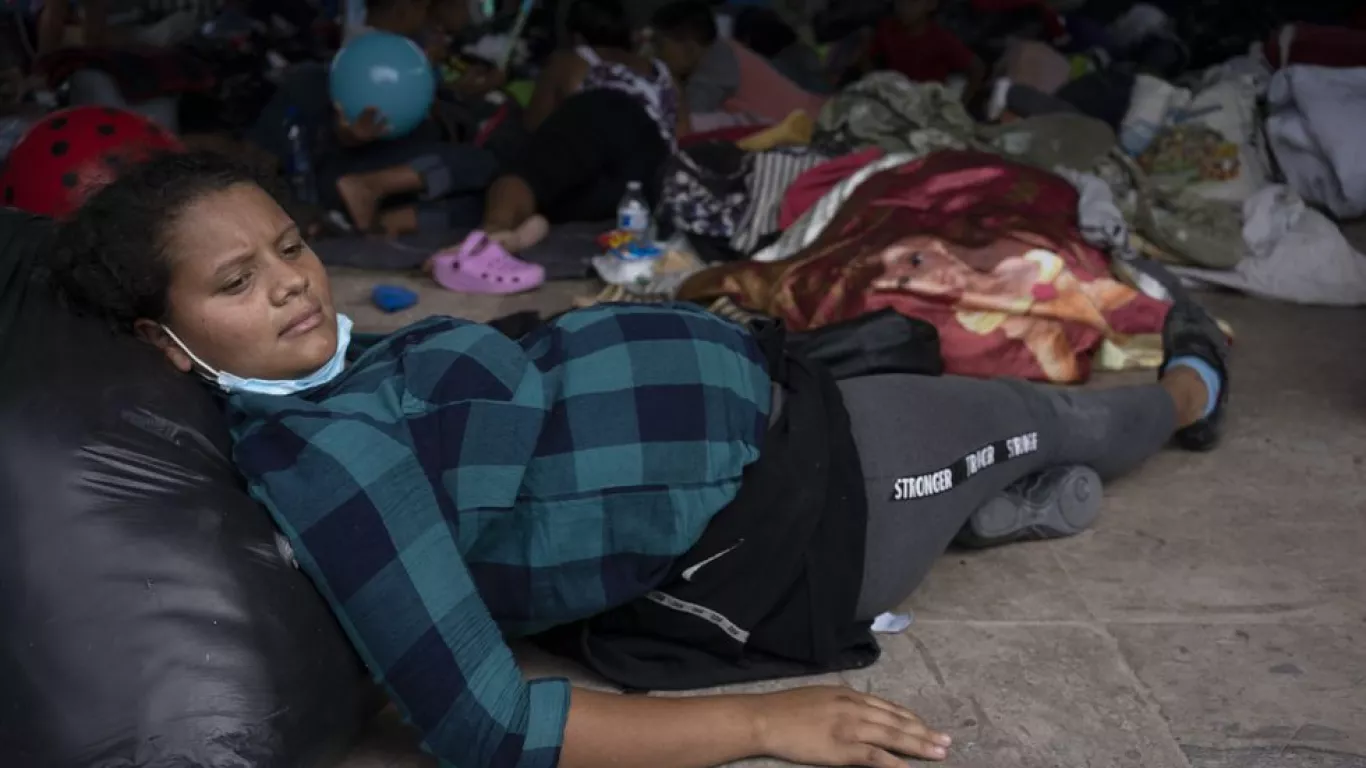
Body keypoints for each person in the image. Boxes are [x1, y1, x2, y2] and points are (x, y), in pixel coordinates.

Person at [54, 150, 1232, 768]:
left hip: (779, 401)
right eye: (235, 283)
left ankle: (991, 505)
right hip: (802, 510)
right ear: (163, 341)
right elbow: (488, 727)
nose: (294, 283)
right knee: (1045, 410)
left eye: (290, 245)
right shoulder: (329, 461)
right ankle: (1192, 384)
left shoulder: (319, 374)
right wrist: (771, 727)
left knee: (934, 370)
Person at [469, 0, 683, 255]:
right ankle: (519, 232)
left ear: (577, 36)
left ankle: (488, 239)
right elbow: (683, 138)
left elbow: (536, 126)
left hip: (601, 116)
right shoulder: (664, 73)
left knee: (526, 172)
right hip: (643, 176)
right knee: (559, 197)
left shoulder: (571, 60)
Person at [651, 0, 827, 125]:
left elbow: (687, 121)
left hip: (809, 129)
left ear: (689, 48)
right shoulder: (723, 49)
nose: (657, 53)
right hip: (810, 117)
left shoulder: (715, 67)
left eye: (660, 45)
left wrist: (667, 76)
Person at [864, 0, 986, 100]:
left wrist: (962, 105)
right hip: (895, 96)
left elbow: (977, 68)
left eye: (912, 3)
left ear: (931, 4)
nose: (904, 8)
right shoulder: (887, 29)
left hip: (928, 101)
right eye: (900, 2)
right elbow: (867, 57)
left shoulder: (941, 38)